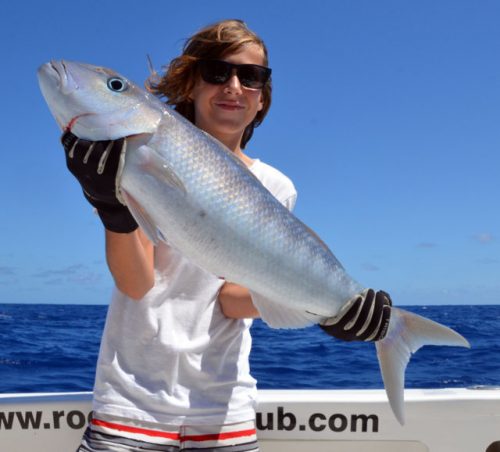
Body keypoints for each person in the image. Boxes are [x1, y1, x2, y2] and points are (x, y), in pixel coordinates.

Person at [62, 19, 392, 452]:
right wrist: (111, 208)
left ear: (261, 100)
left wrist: (330, 312)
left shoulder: (277, 186)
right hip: (131, 404)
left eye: (251, 77)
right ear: (192, 86)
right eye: (218, 73)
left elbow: (231, 298)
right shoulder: (130, 159)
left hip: (223, 412)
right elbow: (136, 283)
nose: (234, 86)